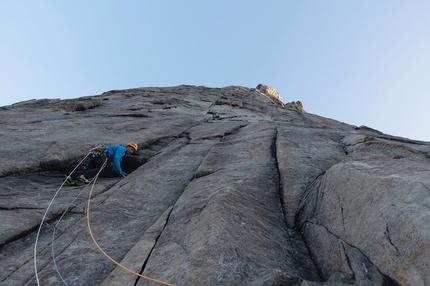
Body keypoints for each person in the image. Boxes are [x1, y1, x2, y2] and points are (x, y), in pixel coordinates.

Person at [65, 142, 138, 186]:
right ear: (128, 146)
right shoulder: (122, 149)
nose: (131, 151)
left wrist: (121, 173)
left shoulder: (122, 153)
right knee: (100, 168)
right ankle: (82, 177)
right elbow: (116, 159)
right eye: (131, 149)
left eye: (133, 151)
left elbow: (115, 166)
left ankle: (69, 177)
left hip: (97, 153)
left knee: (89, 169)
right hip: (102, 154)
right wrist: (120, 171)